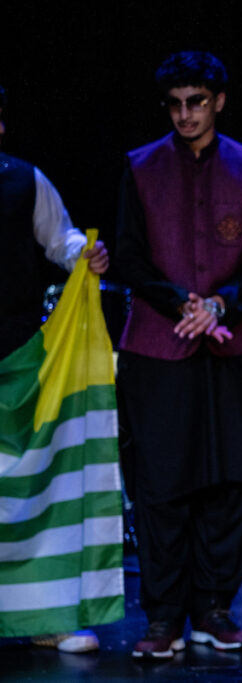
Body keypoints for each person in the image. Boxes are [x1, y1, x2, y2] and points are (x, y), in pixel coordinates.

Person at [115, 52, 242, 658]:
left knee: (230, 481)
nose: (185, 114)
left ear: (219, 102)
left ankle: (214, 609)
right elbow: (129, 254)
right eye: (176, 104)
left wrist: (221, 304)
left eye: (197, 102)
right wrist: (180, 302)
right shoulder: (140, 166)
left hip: (230, 345)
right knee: (161, 485)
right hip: (159, 347)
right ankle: (162, 617)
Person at [0, 83, 109, 654]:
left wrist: (82, 255)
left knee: (30, 487)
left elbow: (59, 237)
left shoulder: (24, 180)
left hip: (18, 357)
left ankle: (43, 615)